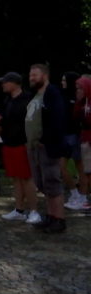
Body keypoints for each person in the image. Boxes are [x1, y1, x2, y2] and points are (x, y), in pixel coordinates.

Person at [0, 72, 39, 223]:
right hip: (9, 143)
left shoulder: (28, 99)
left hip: (22, 143)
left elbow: (32, 122)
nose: (2, 84)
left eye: (5, 82)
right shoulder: (8, 100)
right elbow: (4, 120)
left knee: (26, 178)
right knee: (16, 178)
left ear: (15, 83)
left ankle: (34, 210)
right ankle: (19, 209)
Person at [26, 64, 67, 232]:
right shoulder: (36, 95)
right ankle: (50, 216)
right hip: (34, 146)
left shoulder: (52, 93)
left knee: (52, 182)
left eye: (34, 75)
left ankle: (59, 219)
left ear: (45, 75)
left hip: (47, 147)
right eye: (30, 76)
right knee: (42, 183)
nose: (31, 78)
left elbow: (57, 118)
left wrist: (46, 139)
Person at [60, 71, 85, 209]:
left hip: (74, 136)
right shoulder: (63, 96)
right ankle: (74, 192)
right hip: (64, 135)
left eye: (64, 80)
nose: (62, 82)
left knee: (80, 166)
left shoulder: (77, 98)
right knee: (62, 166)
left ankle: (82, 196)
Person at [73, 76, 91, 212]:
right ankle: (83, 199)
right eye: (77, 88)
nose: (78, 91)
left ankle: (84, 198)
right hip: (84, 140)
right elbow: (76, 116)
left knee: (88, 172)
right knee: (86, 171)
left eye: (81, 88)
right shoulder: (82, 104)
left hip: (89, 140)